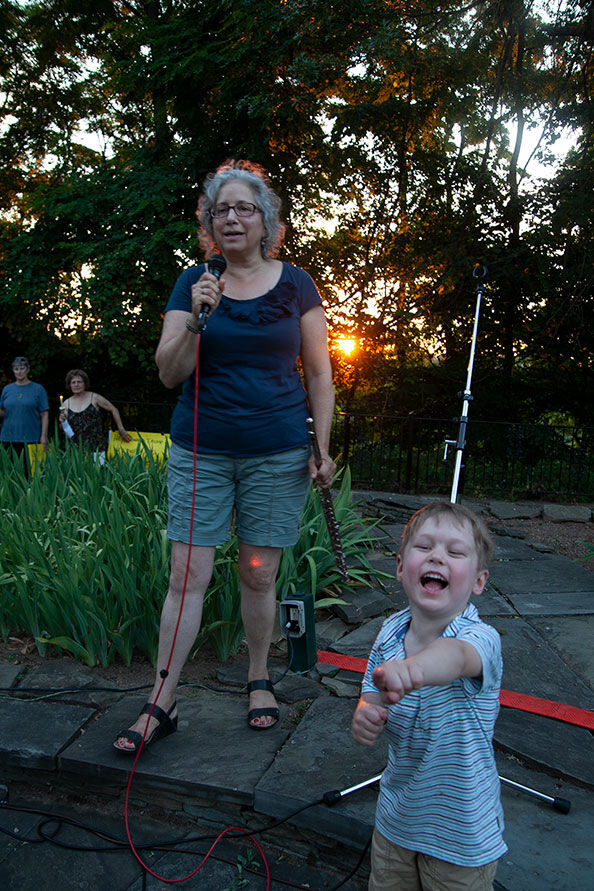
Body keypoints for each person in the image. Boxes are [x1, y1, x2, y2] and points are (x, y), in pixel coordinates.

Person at [114, 159, 336, 754]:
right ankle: (163, 699)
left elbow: (319, 373)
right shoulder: (193, 284)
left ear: (267, 222)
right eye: (221, 210)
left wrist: (323, 449)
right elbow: (168, 374)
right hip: (201, 450)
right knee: (187, 575)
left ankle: (258, 676)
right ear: (209, 224)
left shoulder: (297, 285)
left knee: (257, 576)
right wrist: (194, 321)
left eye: (245, 208)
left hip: (278, 452)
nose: (232, 217)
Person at [352, 501, 507, 891]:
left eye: (455, 552)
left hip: (461, 835)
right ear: (402, 567)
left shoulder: (481, 638)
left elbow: (456, 658)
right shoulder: (389, 632)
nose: (437, 556)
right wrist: (365, 715)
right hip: (396, 822)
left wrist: (414, 669)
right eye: (424, 547)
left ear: (478, 581)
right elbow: (371, 694)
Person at [59, 369, 131, 462]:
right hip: (77, 449)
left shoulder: (94, 397)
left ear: (85, 383)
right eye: (73, 382)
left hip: (97, 446)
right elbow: (63, 429)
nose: (76, 384)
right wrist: (62, 421)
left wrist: (121, 428)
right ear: (69, 385)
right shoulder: (66, 404)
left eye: (79, 382)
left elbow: (114, 410)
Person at [0, 356, 49, 474]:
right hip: (8, 438)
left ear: (28, 369)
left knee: (32, 475)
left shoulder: (38, 389)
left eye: (22, 368)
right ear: (13, 370)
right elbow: (2, 412)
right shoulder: (7, 389)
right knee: (10, 475)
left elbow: (45, 414)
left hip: (31, 438)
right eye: (16, 369)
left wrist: (43, 436)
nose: (19, 372)